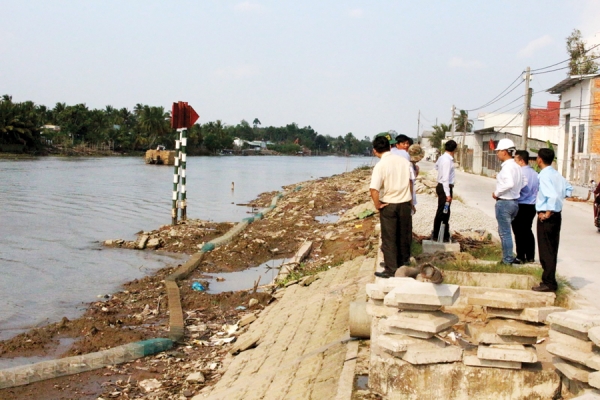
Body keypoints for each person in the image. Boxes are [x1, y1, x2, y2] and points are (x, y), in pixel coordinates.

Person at [370, 135, 413, 278]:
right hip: (405, 202)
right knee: (403, 235)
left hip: (389, 204)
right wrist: (411, 201)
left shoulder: (380, 165)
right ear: (390, 147)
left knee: (389, 238)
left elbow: (374, 189)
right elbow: (411, 182)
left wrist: (378, 205)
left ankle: (391, 269)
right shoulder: (404, 161)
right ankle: (402, 264)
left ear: (375, 151)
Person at [532, 148, 572, 292]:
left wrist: (547, 212)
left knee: (546, 250)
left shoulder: (544, 175)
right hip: (557, 215)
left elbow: (552, 196)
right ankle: (551, 280)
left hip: (547, 216)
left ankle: (548, 282)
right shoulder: (557, 175)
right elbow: (569, 189)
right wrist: (559, 201)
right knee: (552, 249)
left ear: (540, 159)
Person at [492, 138, 525, 265]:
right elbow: (523, 182)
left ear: (504, 152)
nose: (497, 153)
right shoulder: (517, 167)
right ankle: (507, 257)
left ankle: (507, 259)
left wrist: (497, 193)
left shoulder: (507, 168)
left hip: (505, 202)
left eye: (498, 151)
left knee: (505, 233)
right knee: (506, 232)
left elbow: (510, 183)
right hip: (514, 202)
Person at [511, 150, 538, 263]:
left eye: (516, 160)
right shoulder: (536, 174)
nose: (514, 162)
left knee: (518, 231)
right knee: (527, 230)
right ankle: (530, 256)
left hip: (521, 204)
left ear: (521, 160)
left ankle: (520, 256)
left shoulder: (520, 173)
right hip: (532, 206)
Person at [432, 140, 457, 242]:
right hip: (445, 187)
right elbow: (445, 179)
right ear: (455, 149)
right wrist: (448, 194)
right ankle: (439, 235)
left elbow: (436, 166)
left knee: (445, 211)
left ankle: (443, 233)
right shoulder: (447, 160)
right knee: (443, 212)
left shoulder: (442, 158)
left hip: (442, 186)